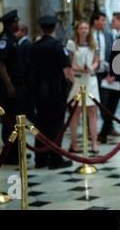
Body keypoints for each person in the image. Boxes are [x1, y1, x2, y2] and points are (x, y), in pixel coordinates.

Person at [31, 16, 74, 169]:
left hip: (39, 91)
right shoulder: (57, 45)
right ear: (54, 28)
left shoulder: (34, 46)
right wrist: (69, 85)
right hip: (55, 91)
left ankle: (40, 159)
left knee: (41, 124)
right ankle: (55, 159)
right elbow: (67, 69)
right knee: (56, 125)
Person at [66, 20, 101, 154]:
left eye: (86, 28)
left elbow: (97, 61)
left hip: (91, 80)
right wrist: (80, 68)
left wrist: (91, 67)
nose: (84, 30)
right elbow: (69, 64)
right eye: (82, 28)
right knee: (75, 113)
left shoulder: (93, 43)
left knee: (93, 113)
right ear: (77, 30)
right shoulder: (72, 44)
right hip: (78, 80)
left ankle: (94, 143)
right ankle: (74, 143)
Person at [0, 10, 22, 165]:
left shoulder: (11, 38)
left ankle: (16, 151)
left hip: (16, 85)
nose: (18, 24)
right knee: (9, 120)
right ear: (11, 24)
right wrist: (8, 84)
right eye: (16, 22)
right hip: (8, 86)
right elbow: (0, 63)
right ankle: (10, 154)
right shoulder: (3, 40)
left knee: (15, 118)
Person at [98, 12, 120, 144]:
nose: (111, 23)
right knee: (110, 108)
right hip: (118, 81)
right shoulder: (119, 36)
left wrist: (114, 76)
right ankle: (103, 133)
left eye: (114, 20)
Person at [91, 12, 120, 140]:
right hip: (92, 73)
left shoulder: (108, 36)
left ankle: (109, 128)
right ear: (95, 21)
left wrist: (112, 72)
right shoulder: (88, 35)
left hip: (105, 73)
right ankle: (91, 130)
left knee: (105, 102)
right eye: (102, 20)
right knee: (90, 103)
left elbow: (112, 54)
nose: (105, 23)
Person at [14, 23, 35, 122]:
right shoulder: (20, 44)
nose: (15, 33)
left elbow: (26, 65)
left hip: (27, 82)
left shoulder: (26, 45)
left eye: (16, 31)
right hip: (24, 83)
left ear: (23, 32)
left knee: (29, 109)